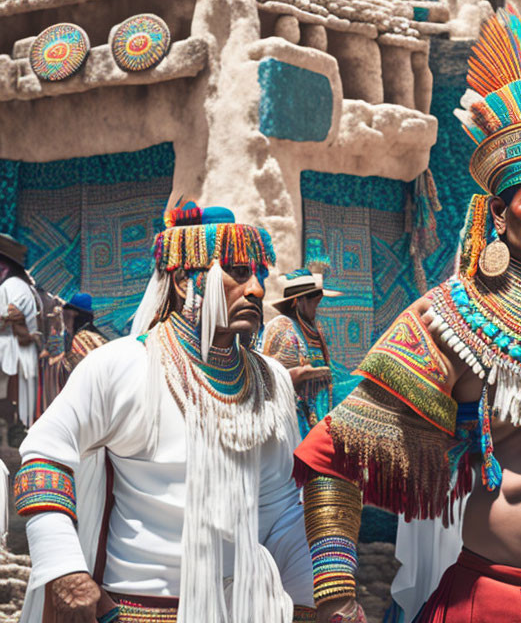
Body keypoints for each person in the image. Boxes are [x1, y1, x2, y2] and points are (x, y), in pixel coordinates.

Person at [294, 6, 521, 623]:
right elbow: (331, 454)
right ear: (498, 215)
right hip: (496, 599)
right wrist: (337, 596)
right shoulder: (452, 322)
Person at [13, 204, 314, 623]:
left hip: (242, 610)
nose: (258, 290)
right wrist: (66, 572)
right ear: (182, 279)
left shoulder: (272, 382)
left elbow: (280, 508)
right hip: (131, 611)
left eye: (259, 274)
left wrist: (309, 603)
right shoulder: (122, 365)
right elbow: (44, 457)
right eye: (238, 273)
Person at [260, 268, 339, 437]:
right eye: (313, 301)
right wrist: (304, 374)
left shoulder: (314, 331)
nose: (317, 307)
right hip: (293, 421)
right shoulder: (284, 328)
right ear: (299, 301)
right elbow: (271, 379)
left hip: (317, 416)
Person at [0, 234, 39, 428]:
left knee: (12, 407)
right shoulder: (18, 285)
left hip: (14, 358)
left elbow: (10, 315)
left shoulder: (12, 285)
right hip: (15, 357)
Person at [60, 292, 108, 374]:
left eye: (66, 311)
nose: (63, 314)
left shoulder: (82, 337)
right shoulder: (76, 335)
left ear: (74, 314)